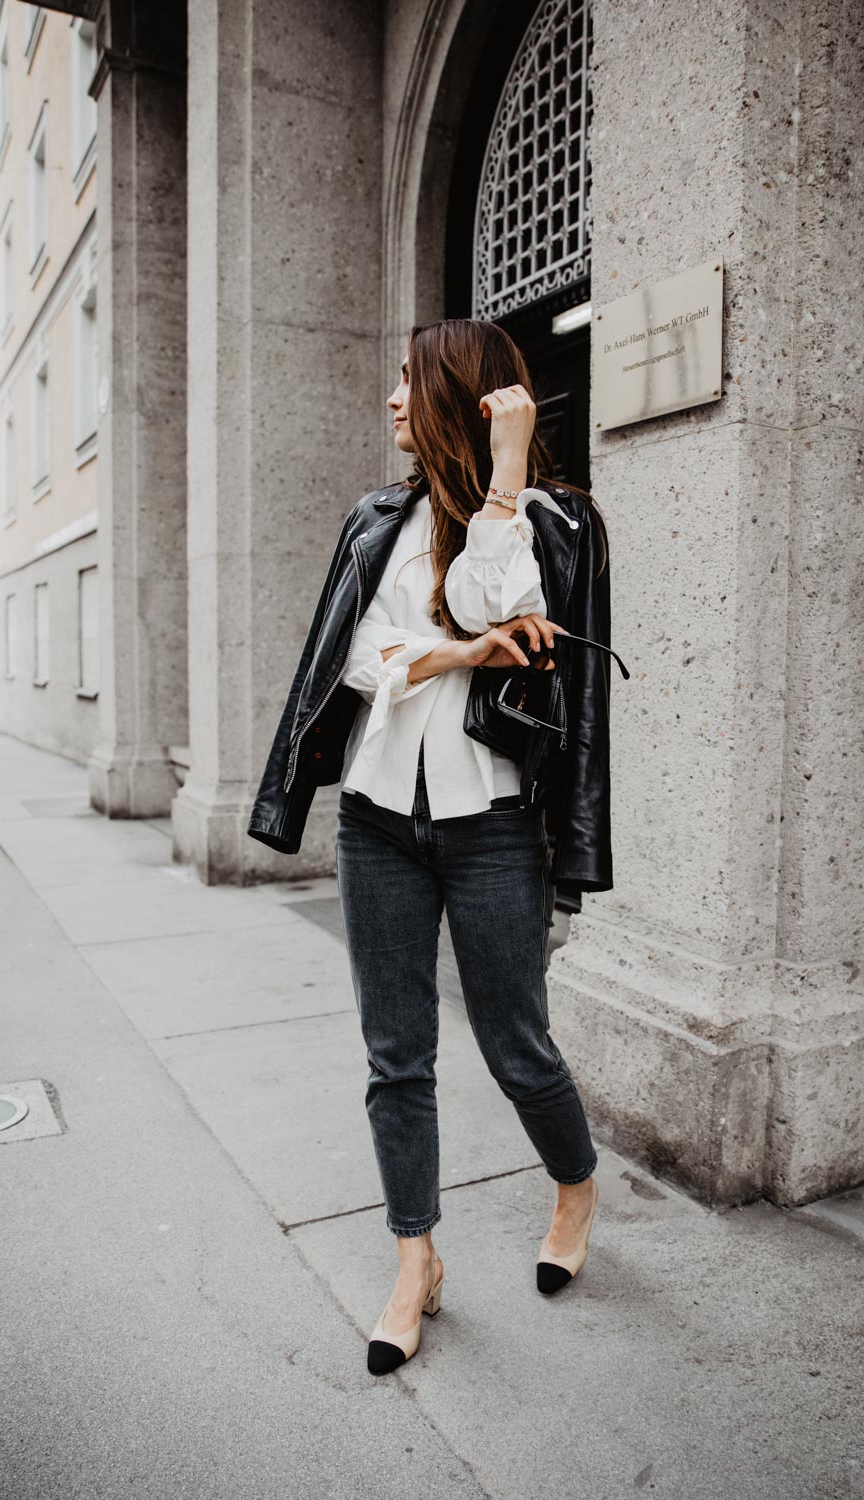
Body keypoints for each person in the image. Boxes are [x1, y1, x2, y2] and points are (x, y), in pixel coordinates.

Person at [247, 319, 614, 1376]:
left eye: (411, 383)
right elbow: (360, 658)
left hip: (492, 826)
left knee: (516, 1047)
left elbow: (501, 603)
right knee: (394, 1055)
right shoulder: (378, 518)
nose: (394, 401)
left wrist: (504, 474)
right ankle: (416, 1262)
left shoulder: (553, 520)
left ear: (462, 395)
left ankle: (576, 1185)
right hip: (375, 821)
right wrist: (454, 653)